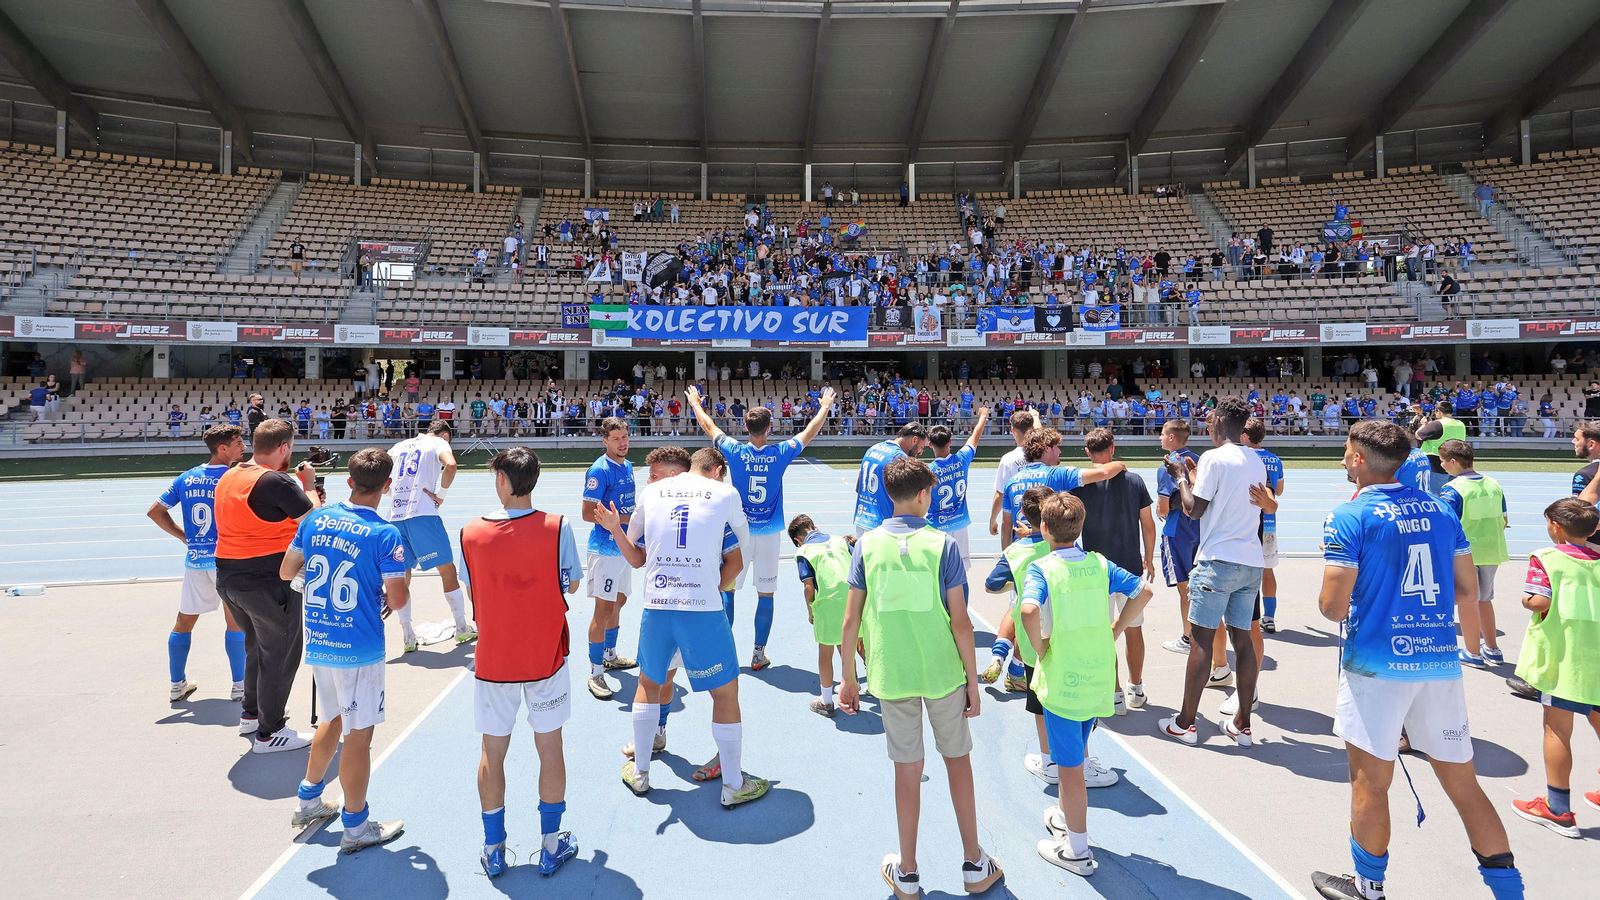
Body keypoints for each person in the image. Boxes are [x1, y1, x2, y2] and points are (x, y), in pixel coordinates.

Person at [1311, 420, 1522, 900]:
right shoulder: (1442, 508)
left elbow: (1332, 607)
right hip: (1437, 660)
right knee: (1465, 786)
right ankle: (1510, 892)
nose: (1343, 459)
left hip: (1375, 666)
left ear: (1360, 458)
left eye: (1346, 451)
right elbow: (1468, 591)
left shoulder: (1349, 515)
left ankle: (1368, 887)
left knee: (1370, 783)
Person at [838, 457, 1003, 899]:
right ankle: (973, 863)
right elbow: (961, 622)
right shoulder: (942, 544)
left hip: (891, 675)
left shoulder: (866, 544)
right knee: (957, 763)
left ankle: (907, 873)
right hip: (944, 673)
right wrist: (973, 679)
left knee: (907, 772)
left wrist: (847, 677)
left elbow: (850, 619)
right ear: (925, 494)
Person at [595, 447, 771, 807]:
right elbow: (740, 549)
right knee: (724, 694)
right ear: (714, 471)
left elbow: (638, 558)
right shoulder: (723, 493)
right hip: (702, 608)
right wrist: (714, 585)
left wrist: (615, 529)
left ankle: (641, 772)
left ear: (674, 472)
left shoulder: (652, 493)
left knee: (648, 684)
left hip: (657, 607)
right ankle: (734, 784)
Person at [459, 448, 582, 877]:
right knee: (550, 747)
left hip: (495, 659)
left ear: (503, 482)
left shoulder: (470, 532)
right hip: (545, 656)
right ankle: (550, 845)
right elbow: (572, 583)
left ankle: (494, 849)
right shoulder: (558, 526)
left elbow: (474, 593)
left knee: (493, 752)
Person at [281, 449, 409, 853]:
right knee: (358, 736)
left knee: (331, 721)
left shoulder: (316, 518)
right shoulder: (385, 533)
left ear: (349, 481)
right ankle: (356, 826)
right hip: (360, 646)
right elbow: (399, 599)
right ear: (387, 487)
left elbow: (287, 572)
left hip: (321, 638)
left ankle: (309, 801)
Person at [1019, 492, 1152, 877]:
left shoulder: (1042, 568)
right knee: (1077, 750)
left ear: (1044, 528)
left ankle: (1077, 849)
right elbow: (1143, 591)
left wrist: (1040, 644)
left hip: (1063, 680)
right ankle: (1065, 815)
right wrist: (1117, 627)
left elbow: (1028, 609)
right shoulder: (1099, 563)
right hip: (1096, 677)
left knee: (1070, 768)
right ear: (1081, 527)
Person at [684, 383, 837, 669]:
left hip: (738, 534)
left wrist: (695, 403)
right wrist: (825, 406)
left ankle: (722, 650)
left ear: (745, 426)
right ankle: (758, 653)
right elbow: (809, 432)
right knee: (766, 593)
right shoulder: (780, 453)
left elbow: (709, 427)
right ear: (770, 428)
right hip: (769, 536)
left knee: (727, 590)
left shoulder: (734, 451)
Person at [1158, 397, 1269, 748]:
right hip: (1250, 560)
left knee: (1202, 640)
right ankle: (1242, 725)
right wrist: (1194, 477)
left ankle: (1186, 723)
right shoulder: (1255, 459)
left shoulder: (1213, 458)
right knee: (1243, 641)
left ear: (1220, 421)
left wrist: (1180, 478)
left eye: (1209, 418)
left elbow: (1193, 509)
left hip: (1218, 559)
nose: (1206, 423)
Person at [213, 419, 322, 752]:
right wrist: (309, 484)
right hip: (267, 581)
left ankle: (253, 714)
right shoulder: (276, 480)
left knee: (256, 646)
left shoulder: (231, 474)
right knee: (282, 652)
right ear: (284, 448)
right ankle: (269, 731)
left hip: (230, 577)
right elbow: (316, 520)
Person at [1507, 497, 1600, 836]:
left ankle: (1558, 809)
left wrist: (1527, 600)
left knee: (1557, 729)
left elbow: (1540, 600)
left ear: (1555, 526)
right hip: (1597, 656)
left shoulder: (1546, 558)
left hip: (1565, 659)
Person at [147, 424, 249, 703]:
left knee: (183, 622)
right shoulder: (234, 476)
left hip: (195, 560)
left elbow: (155, 511)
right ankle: (240, 685)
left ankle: (176, 684)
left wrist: (183, 537)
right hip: (225, 559)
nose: (243, 446)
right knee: (236, 624)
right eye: (238, 442)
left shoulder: (187, 477)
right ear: (222, 448)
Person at [1069, 428, 1155, 714]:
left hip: (1096, 571)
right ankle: (1137, 687)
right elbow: (1148, 523)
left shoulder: (1079, 485)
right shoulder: (1134, 480)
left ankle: (1115, 692)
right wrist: (1150, 557)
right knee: (1133, 630)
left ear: (1087, 452)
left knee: (1103, 634)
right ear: (1113, 448)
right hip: (1130, 566)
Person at [386, 421, 475, 651]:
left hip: (395, 516)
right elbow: (451, 465)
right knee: (446, 569)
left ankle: (407, 636)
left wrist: (391, 492)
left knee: (402, 575)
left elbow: (381, 478)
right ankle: (462, 626)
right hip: (423, 513)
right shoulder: (437, 443)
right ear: (444, 435)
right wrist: (440, 495)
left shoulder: (398, 446)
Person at [580, 417, 640, 700]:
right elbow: (585, 512)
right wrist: (629, 518)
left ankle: (610, 655)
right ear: (605, 441)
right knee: (603, 611)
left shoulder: (627, 465)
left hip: (624, 546)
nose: (623, 442)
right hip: (605, 550)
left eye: (625, 436)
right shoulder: (599, 470)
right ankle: (594, 673)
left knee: (620, 600)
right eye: (616, 438)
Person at [1438, 440, 1506, 666]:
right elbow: (1504, 519)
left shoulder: (1453, 489)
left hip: (1464, 553)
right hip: (1492, 550)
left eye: (1443, 460)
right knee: (1485, 600)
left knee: (1468, 601)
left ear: (1454, 462)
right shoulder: (1494, 484)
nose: (1441, 464)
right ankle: (1492, 648)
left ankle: (1472, 652)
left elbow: (1445, 525)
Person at [788, 514, 860, 717]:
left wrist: (811, 609)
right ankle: (852, 693)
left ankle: (826, 701)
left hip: (827, 602)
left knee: (825, 652)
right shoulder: (840, 540)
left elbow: (808, 586)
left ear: (797, 540)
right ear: (815, 526)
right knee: (847, 648)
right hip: (852, 598)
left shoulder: (804, 551)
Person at [1158, 420, 1205, 657]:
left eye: (1163, 434)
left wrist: (1159, 511)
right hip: (1200, 529)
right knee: (1198, 584)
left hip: (1177, 532)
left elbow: (1164, 507)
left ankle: (1188, 638)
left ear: (1173, 438)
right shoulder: (1200, 460)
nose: (1160, 438)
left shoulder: (1167, 465)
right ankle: (1201, 632)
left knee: (1184, 587)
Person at [927, 408, 990, 565]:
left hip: (937, 527)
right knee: (960, 572)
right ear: (950, 442)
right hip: (960, 524)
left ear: (930, 444)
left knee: (940, 572)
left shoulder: (928, 471)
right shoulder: (962, 460)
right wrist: (982, 416)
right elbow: (975, 436)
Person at [852, 422, 930, 539]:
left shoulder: (873, 448)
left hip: (862, 519)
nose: (921, 452)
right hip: (882, 525)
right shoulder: (899, 457)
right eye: (922, 447)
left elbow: (858, 487)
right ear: (914, 440)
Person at [1415, 400, 1466, 495]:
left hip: (1438, 462)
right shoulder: (1460, 424)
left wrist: (1423, 425)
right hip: (1457, 462)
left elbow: (1418, 435)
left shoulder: (1437, 424)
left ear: (1439, 411)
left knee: (1436, 494)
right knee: (1452, 494)